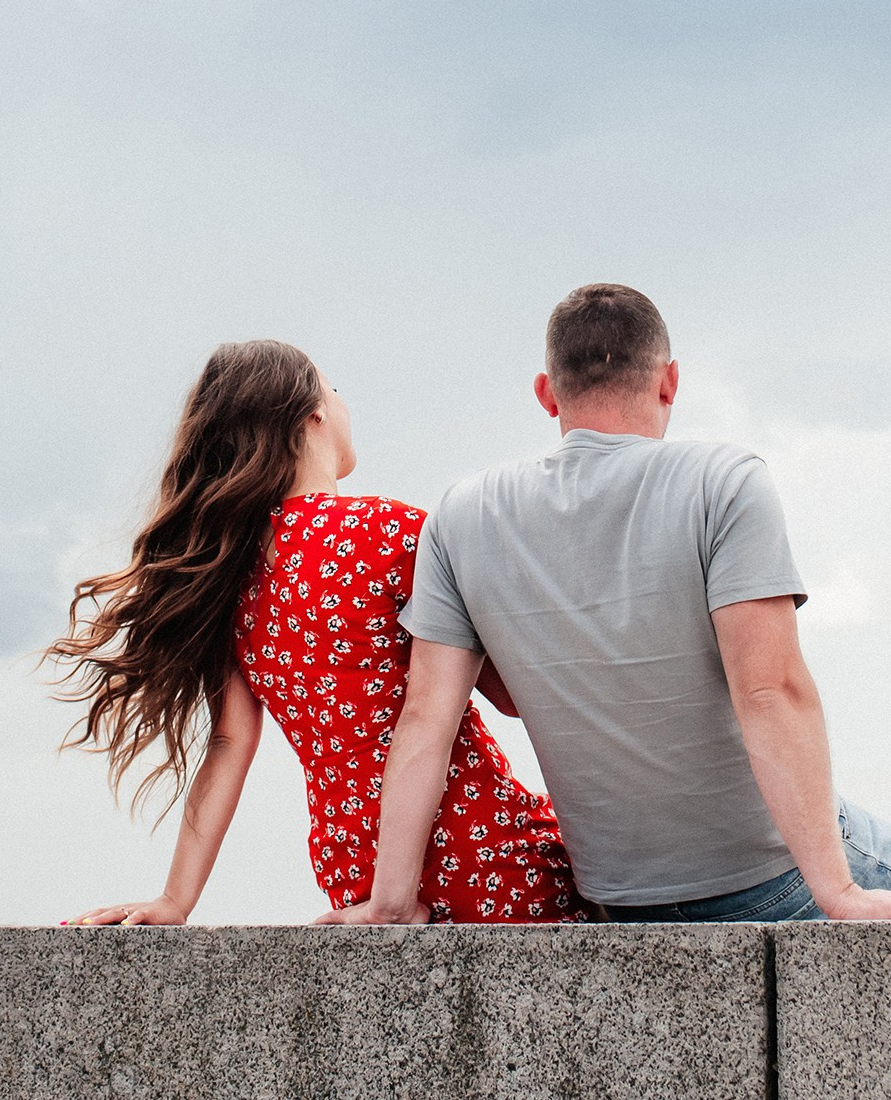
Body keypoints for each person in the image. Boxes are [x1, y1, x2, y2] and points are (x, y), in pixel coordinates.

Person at [322, 285, 891, 925]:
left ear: (547, 394)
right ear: (669, 382)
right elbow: (771, 689)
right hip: (767, 879)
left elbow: (424, 722)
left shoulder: (462, 514)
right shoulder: (723, 482)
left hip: (617, 898)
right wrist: (836, 889)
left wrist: (389, 901)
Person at [47, 338, 580, 925]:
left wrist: (176, 900)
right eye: (336, 389)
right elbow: (511, 697)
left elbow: (227, 745)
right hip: (483, 854)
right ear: (314, 412)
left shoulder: (233, 578)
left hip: (357, 876)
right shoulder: (394, 532)